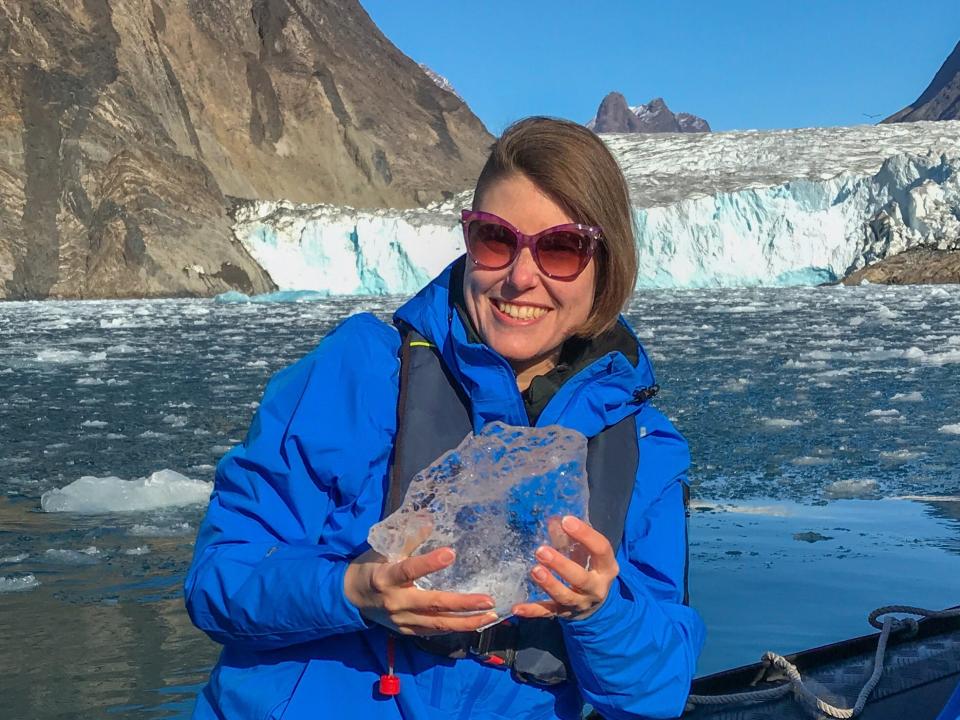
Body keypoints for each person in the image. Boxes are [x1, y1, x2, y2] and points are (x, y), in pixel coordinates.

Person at [184, 117, 705, 720]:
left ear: (605, 265)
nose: (520, 275)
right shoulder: (359, 373)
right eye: (494, 238)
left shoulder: (645, 447)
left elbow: (659, 692)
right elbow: (218, 578)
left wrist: (600, 611)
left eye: (562, 247)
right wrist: (350, 592)